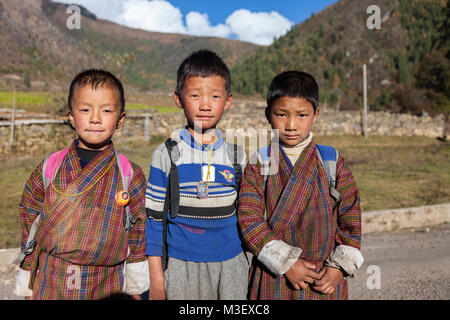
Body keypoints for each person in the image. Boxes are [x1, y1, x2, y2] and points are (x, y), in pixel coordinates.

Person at [14, 69, 149, 300]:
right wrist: (28, 282)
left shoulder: (129, 174)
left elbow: (139, 232)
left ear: (121, 119)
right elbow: (29, 221)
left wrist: (135, 289)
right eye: (85, 110)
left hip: (106, 283)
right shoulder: (50, 168)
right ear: (71, 116)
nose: (95, 118)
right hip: (51, 279)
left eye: (106, 110)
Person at [237, 71, 364, 300]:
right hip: (273, 275)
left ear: (315, 115)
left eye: (302, 115)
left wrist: (338, 267)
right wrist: (286, 262)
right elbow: (248, 219)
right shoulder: (260, 162)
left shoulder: (331, 161)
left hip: (323, 276)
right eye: (282, 114)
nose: (291, 125)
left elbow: (351, 217)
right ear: (268, 114)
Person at [145, 49, 249, 300]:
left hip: (233, 265)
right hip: (182, 266)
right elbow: (154, 220)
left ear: (228, 100)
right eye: (194, 95)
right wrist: (157, 279)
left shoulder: (237, 156)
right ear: (178, 99)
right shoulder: (166, 155)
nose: (205, 104)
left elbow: (248, 215)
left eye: (215, 96)